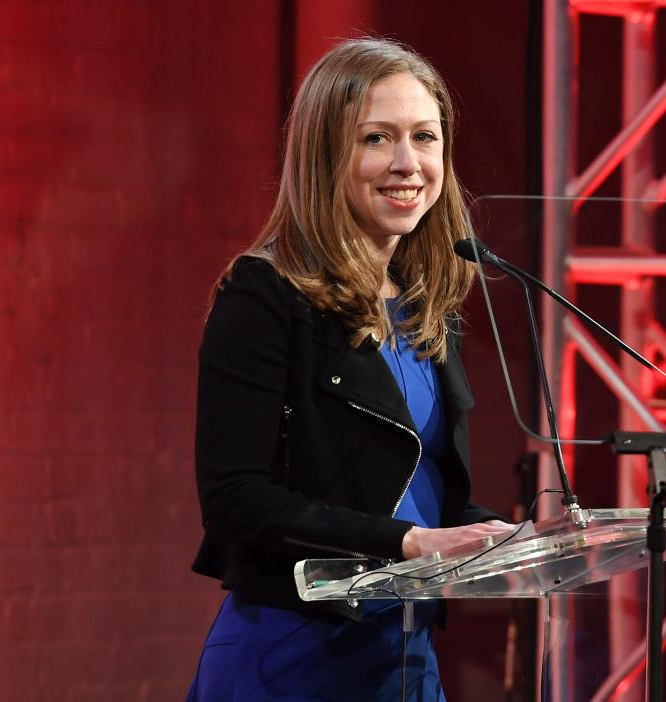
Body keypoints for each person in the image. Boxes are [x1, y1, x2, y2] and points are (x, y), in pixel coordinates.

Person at [186, 37, 512, 701]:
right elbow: (234, 501)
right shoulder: (265, 295)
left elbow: (418, 490)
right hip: (294, 658)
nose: (407, 163)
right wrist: (412, 543)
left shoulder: (426, 303)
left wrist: (513, 539)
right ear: (327, 154)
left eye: (425, 136)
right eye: (375, 139)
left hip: (406, 657)